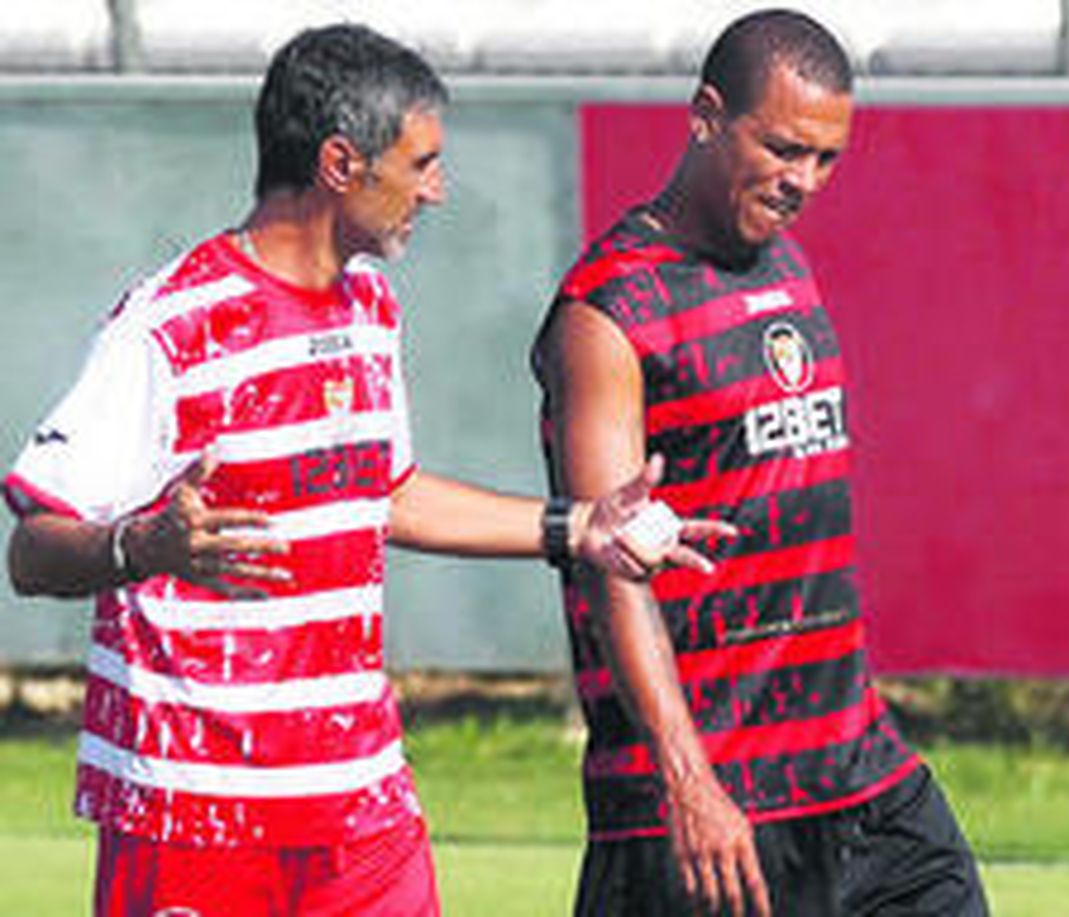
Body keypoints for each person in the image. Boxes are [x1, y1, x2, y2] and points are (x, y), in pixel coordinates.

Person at [4, 24, 733, 916]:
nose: (437, 188)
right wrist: (143, 545)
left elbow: (380, 495)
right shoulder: (168, 326)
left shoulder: (368, 304)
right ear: (342, 163)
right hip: (191, 811)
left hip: (361, 805)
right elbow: (32, 550)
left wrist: (578, 527)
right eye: (421, 161)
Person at [533, 8, 989, 916]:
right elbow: (611, 572)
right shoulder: (608, 311)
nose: (804, 181)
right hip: (708, 809)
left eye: (826, 159)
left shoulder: (785, 267)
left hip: (858, 779)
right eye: (783, 148)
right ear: (706, 115)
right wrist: (688, 783)